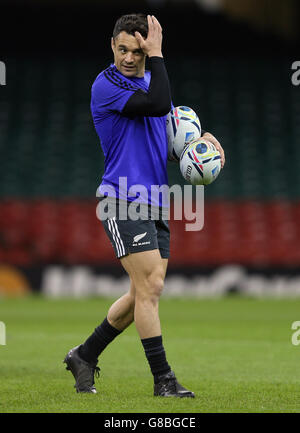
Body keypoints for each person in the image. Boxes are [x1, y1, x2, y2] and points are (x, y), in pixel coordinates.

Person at [63, 13, 225, 398]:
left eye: (138, 51)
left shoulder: (153, 85)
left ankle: (84, 355)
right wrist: (158, 54)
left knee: (142, 293)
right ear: (112, 45)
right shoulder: (106, 85)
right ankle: (163, 380)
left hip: (156, 199)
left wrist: (199, 146)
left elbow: (162, 140)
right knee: (150, 286)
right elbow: (157, 104)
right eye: (123, 49)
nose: (130, 58)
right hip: (122, 198)